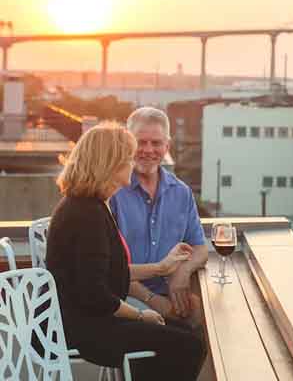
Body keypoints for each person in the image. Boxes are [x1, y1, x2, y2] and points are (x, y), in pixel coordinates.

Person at [46, 122, 205, 380]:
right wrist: (141, 315)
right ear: (110, 163)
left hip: (87, 317)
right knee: (189, 346)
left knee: (185, 335)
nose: (132, 163)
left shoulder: (89, 205)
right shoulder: (88, 214)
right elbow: (95, 294)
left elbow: (105, 271)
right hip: (83, 326)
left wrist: (161, 268)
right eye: (127, 158)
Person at [111, 106, 209, 323]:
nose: (148, 150)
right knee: (183, 340)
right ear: (128, 143)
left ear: (167, 146)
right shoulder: (113, 191)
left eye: (156, 143)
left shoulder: (181, 192)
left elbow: (200, 248)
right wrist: (153, 300)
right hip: (123, 297)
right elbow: (108, 270)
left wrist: (182, 273)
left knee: (212, 319)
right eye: (140, 142)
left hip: (168, 294)